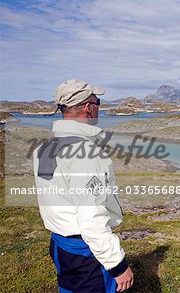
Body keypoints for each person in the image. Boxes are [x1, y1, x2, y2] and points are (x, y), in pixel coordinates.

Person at [33, 79, 134, 292]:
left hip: (60, 244)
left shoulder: (43, 148)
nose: (99, 107)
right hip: (86, 251)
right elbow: (91, 216)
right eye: (98, 102)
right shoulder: (87, 154)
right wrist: (117, 265)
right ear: (88, 107)